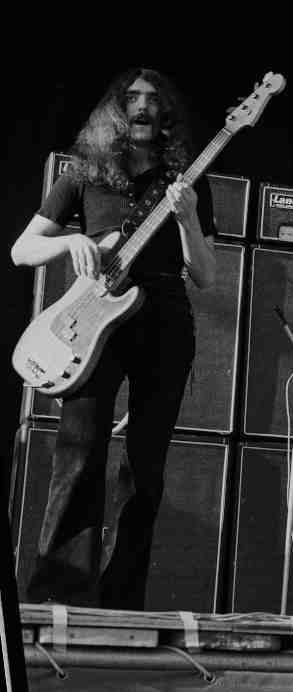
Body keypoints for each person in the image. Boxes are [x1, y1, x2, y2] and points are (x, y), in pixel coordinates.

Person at [10, 68, 218, 609]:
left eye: (154, 99)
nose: (144, 107)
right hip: (91, 322)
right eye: (133, 99)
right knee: (78, 455)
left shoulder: (187, 182)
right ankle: (59, 594)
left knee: (144, 468)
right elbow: (21, 250)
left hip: (165, 320)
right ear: (116, 110)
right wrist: (71, 241)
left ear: (166, 113)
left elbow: (206, 275)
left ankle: (122, 600)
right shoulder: (83, 174)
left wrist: (189, 219)